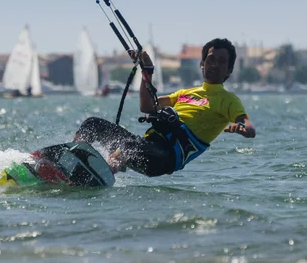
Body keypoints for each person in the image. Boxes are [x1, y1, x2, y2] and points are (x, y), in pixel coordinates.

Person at [73, 38, 255, 176]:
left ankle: (97, 174)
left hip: (165, 157)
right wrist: (147, 72)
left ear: (229, 70)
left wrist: (238, 128)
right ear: (202, 64)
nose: (214, 64)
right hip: (146, 145)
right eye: (210, 59)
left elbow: (248, 127)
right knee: (92, 124)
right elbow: (147, 106)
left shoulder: (229, 100)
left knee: (129, 146)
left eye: (222, 62)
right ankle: (70, 158)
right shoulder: (184, 94)